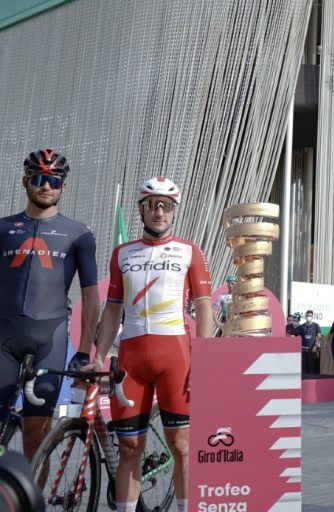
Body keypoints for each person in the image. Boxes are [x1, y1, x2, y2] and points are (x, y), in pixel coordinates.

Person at [86, 176, 213, 512]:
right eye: (152, 205)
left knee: (181, 446)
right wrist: (99, 357)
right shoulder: (122, 253)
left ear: (174, 211)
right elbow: (113, 308)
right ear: (141, 210)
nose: (159, 211)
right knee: (129, 447)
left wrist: (205, 359)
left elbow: (203, 307)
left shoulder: (189, 251)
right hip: (131, 360)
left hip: (176, 358)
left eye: (166, 206)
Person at [0, 149, 99, 460]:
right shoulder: (3, 228)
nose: (46, 187)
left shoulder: (79, 233)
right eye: (39, 179)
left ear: (63, 187)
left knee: (36, 434)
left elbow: (91, 295)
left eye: (54, 181)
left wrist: (83, 352)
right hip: (4, 337)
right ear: (25, 181)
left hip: (51, 337)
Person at [294, 310, 321, 375]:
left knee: (312, 367)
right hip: (303, 350)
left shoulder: (316, 325)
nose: (308, 317)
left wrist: (316, 346)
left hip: (312, 350)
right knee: (304, 367)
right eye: (307, 316)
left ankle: (311, 381)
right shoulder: (301, 327)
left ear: (312, 316)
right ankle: (304, 382)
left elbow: (319, 336)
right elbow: (295, 335)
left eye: (310, 316)